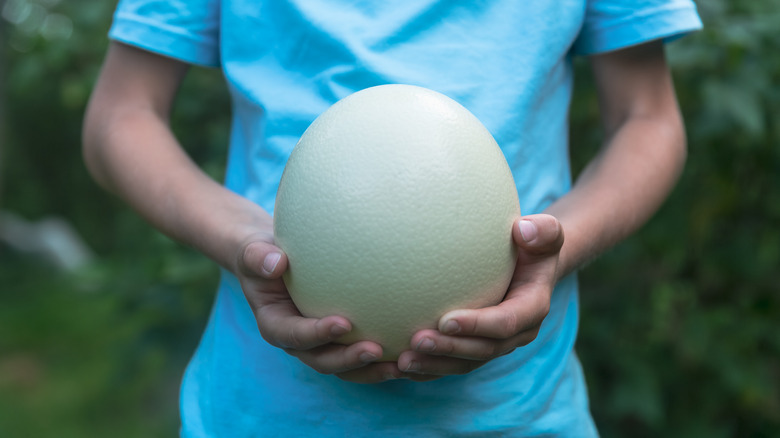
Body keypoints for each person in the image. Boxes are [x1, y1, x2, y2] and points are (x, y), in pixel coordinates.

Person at [83, 1, 702, 436]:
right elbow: (121, 115)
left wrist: (554, 250)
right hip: (264, 414)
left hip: (517, 414)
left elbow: (646, 118)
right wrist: (244, 240)